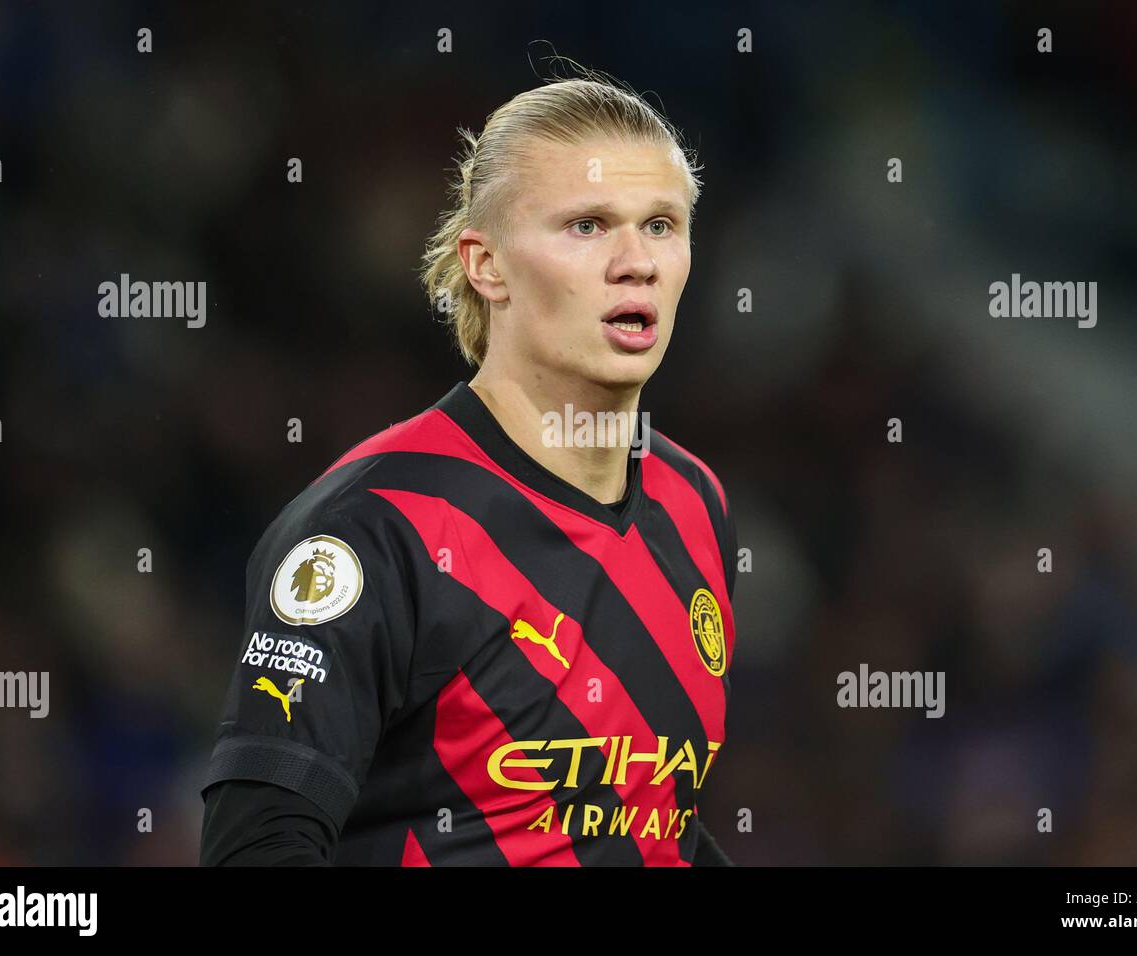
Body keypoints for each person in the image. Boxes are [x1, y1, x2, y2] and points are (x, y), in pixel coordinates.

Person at [199, 70, 737, 865]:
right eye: (587, 226)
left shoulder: (694, 501)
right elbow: (258, 848)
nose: (637, 262)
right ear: (486, 266)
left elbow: (647, 826)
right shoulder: (373, 527)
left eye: (661, 225)